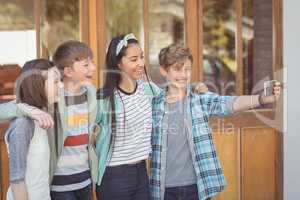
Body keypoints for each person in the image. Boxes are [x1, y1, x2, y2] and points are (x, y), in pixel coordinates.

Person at [149, 44, 281, 200]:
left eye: (188, 69)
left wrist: (261, 99)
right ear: (164, 70)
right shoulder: (154, 104)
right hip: (163, 188)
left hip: (197, 187)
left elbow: (230, 103)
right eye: (177, 69)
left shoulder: (199, 99)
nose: (184, 75)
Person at [5, 59, 61, 200]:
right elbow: (17, 181)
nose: (61, 85)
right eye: (55, 82)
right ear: (37, 86)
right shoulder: (23, 125)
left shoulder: (41, 117)